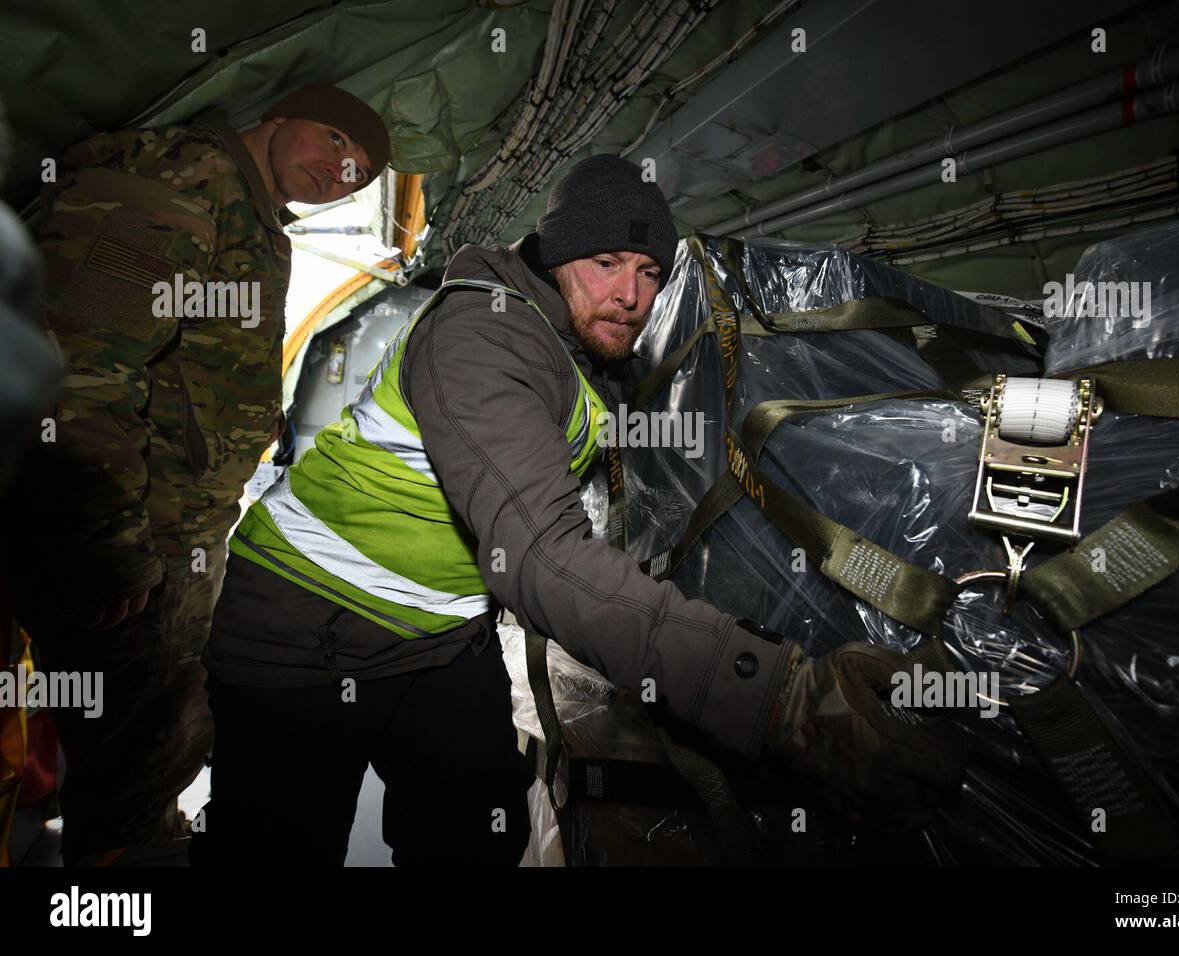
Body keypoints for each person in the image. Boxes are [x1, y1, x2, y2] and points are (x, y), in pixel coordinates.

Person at [190, 155, 965, 867]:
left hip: (438, 633)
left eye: (650, 271)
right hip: (308, 624)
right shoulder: (481, 341)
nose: (629, 294)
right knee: (276, 851)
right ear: (555, 254)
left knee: (476, 828)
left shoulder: (577, 348)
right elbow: (541, 558)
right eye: (604, 263)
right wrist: (775, 696)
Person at [10, 84, 390, 864]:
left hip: (171, 531)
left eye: (356, 172)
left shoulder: (241, 208)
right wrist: (110, 548)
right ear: (280, 113)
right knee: (133, 753)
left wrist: (253, 416)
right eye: (332, 140)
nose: (340, 171)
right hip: (132, 538)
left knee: (153, 736)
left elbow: (185, 356)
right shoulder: (177, 188)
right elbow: (81, 378)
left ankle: (137, 845)